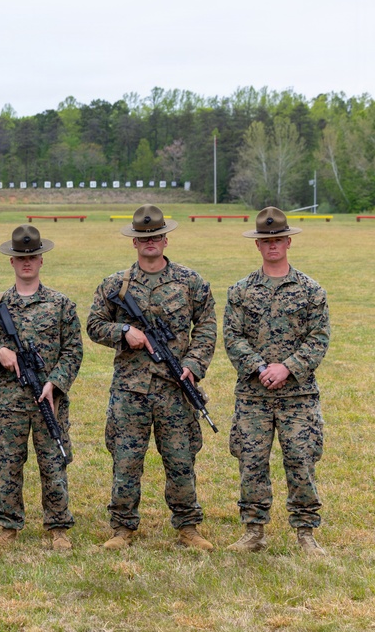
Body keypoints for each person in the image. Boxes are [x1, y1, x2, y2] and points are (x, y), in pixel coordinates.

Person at [86, 205, 217, 551]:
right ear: (134, 242)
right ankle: (122, 529)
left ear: (165, 239)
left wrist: (194, 364)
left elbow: (206, 327)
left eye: (156, 236)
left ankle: (189, 527)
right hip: (131, 389)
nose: (150, 242)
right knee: (126, 460)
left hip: (176, 388)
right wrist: (124, 330)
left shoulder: (191, 282)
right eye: (143, 237)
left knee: (181, 459)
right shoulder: (115, 284)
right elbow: (94, 325)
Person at [224, 207, 330, 555]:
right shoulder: (240, 291)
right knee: (251, 461)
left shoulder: (311, 290)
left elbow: (318, 339)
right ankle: (253, 531)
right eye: (266, 241)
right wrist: (259, 367)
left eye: (278, 240)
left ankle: (306, 533)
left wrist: (287, 367)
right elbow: (233, 336)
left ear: (288, 242)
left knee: (301, 460)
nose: (272, 246)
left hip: (298, 394)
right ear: (258, 245)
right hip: (253, 394)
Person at [0, 225, 82, 552]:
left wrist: (55, 382)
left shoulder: (61, 304)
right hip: (10, 402)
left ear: (40, 260)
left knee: (53, 463)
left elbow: (73, 350)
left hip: (49, 400)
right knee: (8, 462)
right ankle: (7, 526)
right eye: (21, 257)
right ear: (11, 261)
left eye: (32, 256)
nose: (26, 262)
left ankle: (58, 527)